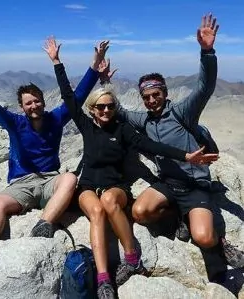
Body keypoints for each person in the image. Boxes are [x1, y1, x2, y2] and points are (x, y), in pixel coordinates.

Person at [47, 39, 218, 299]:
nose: (106, 110)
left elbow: (153, 146)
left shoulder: (124, 129)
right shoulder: (86, 125)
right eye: (100, 107)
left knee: (108, 201)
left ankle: (132, 256)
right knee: (96, 212)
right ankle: (103, 278)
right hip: (88, 185)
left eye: (110, 106)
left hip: (116, 186)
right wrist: (58, 63)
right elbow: (69, 97)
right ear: (92, 111)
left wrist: (186, 156)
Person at [0, 39, 109, 278]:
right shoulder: (15, 123)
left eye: (36, 101)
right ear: (22, 107)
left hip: (50, 181)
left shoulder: (56, 119)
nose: (33, 106)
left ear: (43, 101)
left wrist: (95, 64)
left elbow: (79, 95)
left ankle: (44, 224)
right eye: (28, 103)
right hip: (21, 183)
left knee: (70, 179)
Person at [102, 14, 244, 281]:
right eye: (147, 97)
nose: (152, 100)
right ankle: (180, 217)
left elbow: (205, 87)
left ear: (165, 93)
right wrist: (104, 81)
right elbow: (119, 112)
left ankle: (220, 243)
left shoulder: (182, 113)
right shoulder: (143, 119)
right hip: (167, 185)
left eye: (156, 95)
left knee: (203, 237)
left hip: (194, 185)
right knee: (140, 212)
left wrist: (207, 51)